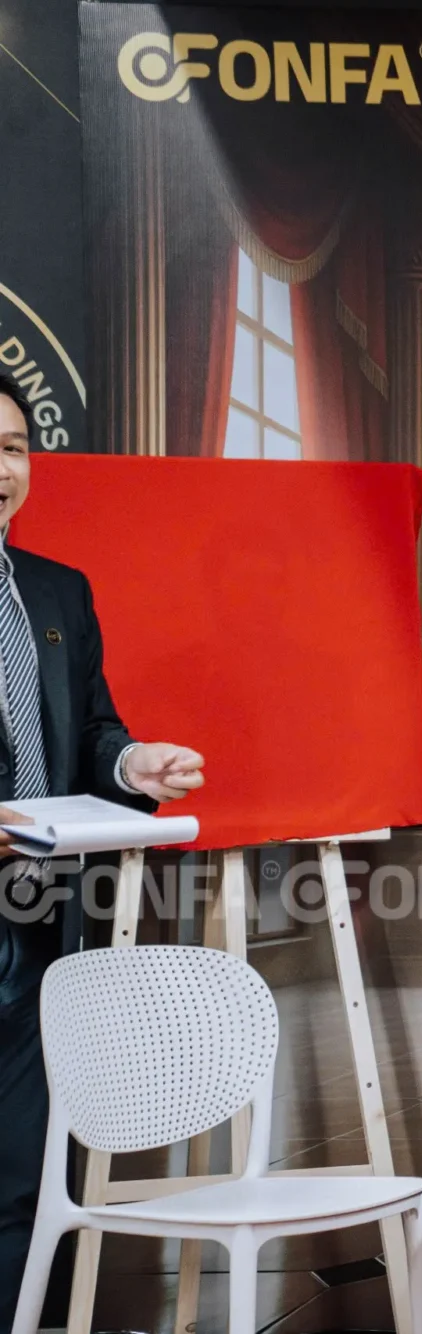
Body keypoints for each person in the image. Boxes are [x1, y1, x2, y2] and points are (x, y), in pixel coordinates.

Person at [0, 373, 206, 1317]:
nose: (2, 469)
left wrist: (134, 764)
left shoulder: (57, 591)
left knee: (23, 1176)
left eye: (12, 448)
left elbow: (88, 732)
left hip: (38, 925)